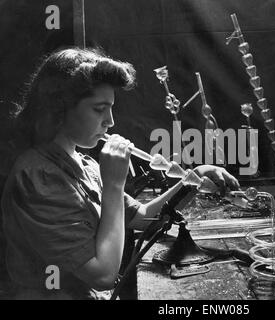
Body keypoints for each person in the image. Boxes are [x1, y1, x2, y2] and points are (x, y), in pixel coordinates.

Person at [1, 47, 240, 300]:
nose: (110, 121)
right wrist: (114, 185)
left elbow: (145, 217)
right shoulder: (37, 178)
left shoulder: (84, 165)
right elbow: (103, 276)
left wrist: (193, 179)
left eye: (111, 108)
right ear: (59, 108)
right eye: (99, 109)